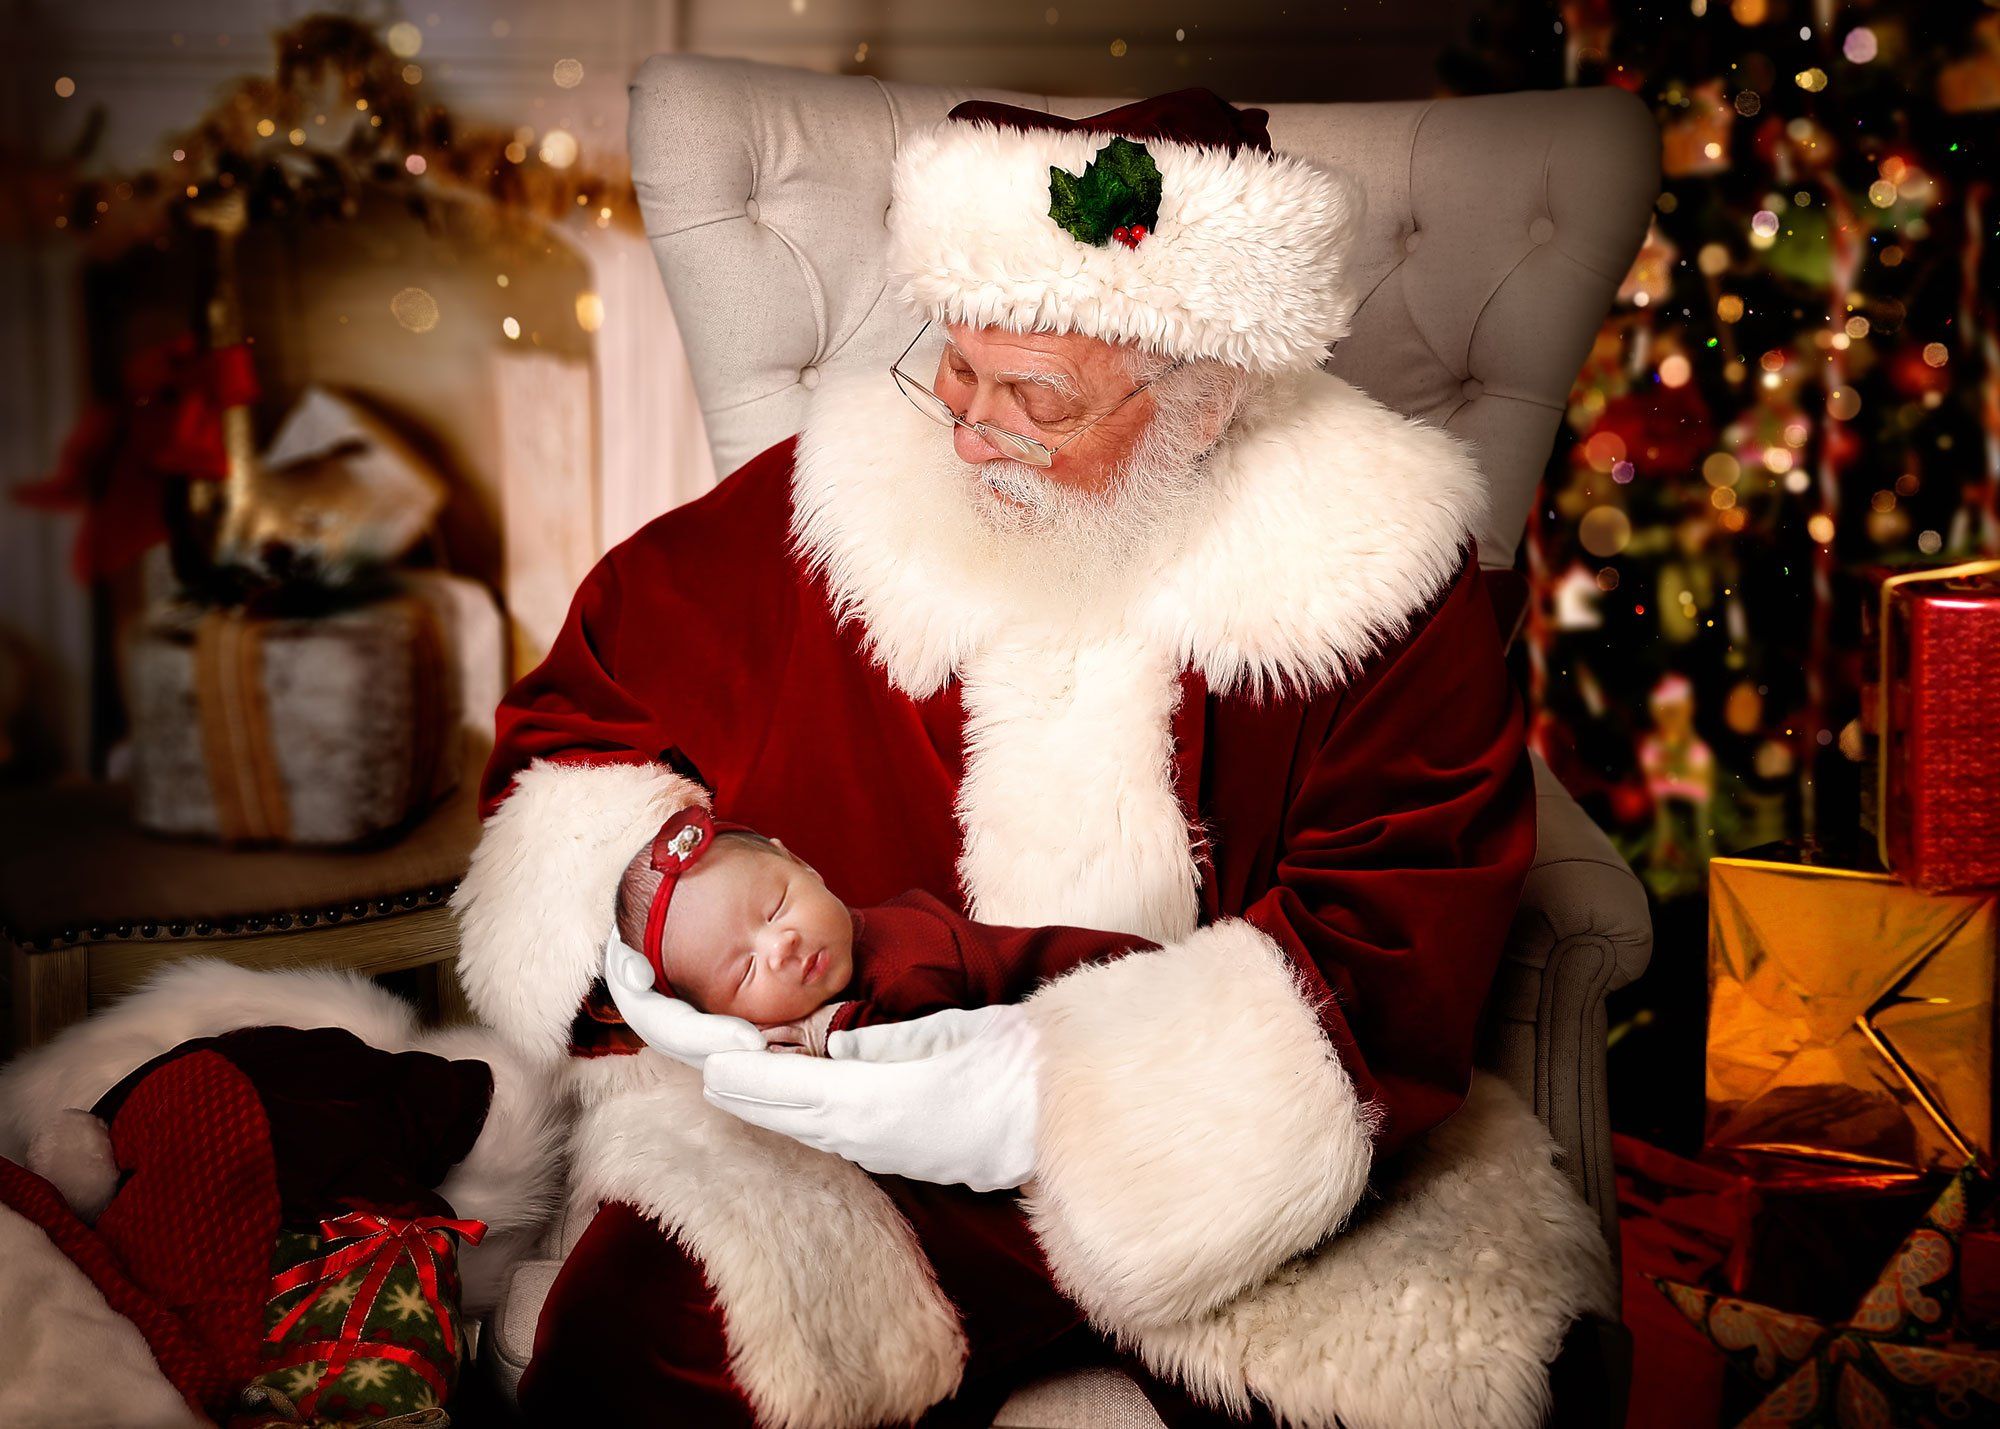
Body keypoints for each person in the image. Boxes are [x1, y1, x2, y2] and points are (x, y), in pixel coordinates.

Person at [452, 87, 1606, 1429]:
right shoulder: (849, 490)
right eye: (955, 366)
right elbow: (582, 725)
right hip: (841, 1102)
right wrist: (657, 943)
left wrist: (1040, 1105)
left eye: (1035, 399)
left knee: (1426, 1384)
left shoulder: (1374, 569)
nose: (966, 428)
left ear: (1203, 400)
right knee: (648, 1328)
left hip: (1207, 1157)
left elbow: (1395, 936)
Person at [604, 806, 1157, 1057]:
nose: (782, 945)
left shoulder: (906, 968)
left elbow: (925, 1049)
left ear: (802, 865)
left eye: (777, 907)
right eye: (746, 970)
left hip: (1121, 998)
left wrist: (827, 1034)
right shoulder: (838, 947)